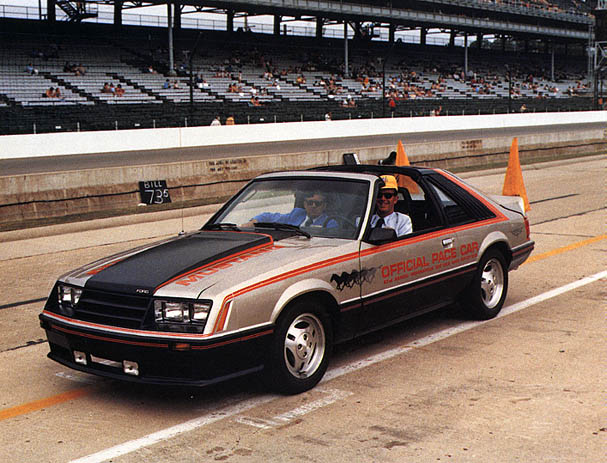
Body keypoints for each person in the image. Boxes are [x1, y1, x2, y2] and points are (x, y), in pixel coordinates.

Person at [244, 191, 337, 228]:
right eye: (310, 202)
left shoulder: (330, 222)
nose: (313, 206)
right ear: (304, 204)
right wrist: (254, 221)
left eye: (317, 203)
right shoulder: (297, 214)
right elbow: (269, 217)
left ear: (324, 205)